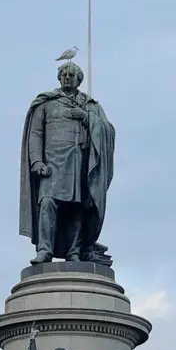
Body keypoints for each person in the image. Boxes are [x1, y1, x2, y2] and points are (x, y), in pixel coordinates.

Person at [19, 62, 115, 264]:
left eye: (72, 74)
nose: (67, 77)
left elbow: (108, 131)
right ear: (59, 77)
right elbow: (35, 133)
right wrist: (36, 161)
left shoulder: (90, 106)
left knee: (76, 208)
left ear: (79, 80)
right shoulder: (47, 103)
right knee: (47, 203)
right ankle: (45, 249)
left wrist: (87, 117)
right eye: (64, 74)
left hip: (78, 163)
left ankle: (74, 251)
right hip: (52, 165)